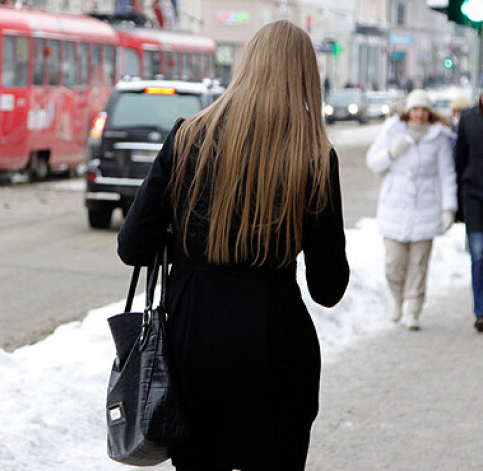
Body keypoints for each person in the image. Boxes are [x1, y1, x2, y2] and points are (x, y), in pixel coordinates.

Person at [117, 21, 349, 470]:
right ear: (307, 75)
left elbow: (132, 246)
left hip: (192, 342)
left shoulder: (188, 138)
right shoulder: (316, 157)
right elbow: (328, 287)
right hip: (275, 345)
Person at [366, 89, 457, 330]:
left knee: (419, 265)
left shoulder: (439, 137)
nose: (419, 115)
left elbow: (447, 174)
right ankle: (397, 299)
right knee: (394, 263)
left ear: (429, 113)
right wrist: (391, 153)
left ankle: (413, 310)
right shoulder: (391, 131)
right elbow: (373, 162)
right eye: (415, 110)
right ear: (408, 111)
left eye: (424, 110)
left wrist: (449, 208)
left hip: (426, 208)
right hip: (394, 207)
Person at [454, 71, 483, 333]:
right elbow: (459, 159)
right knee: (478, 255)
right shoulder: (468, 118)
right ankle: (481, 311)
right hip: (474, 196)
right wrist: (458, 203)